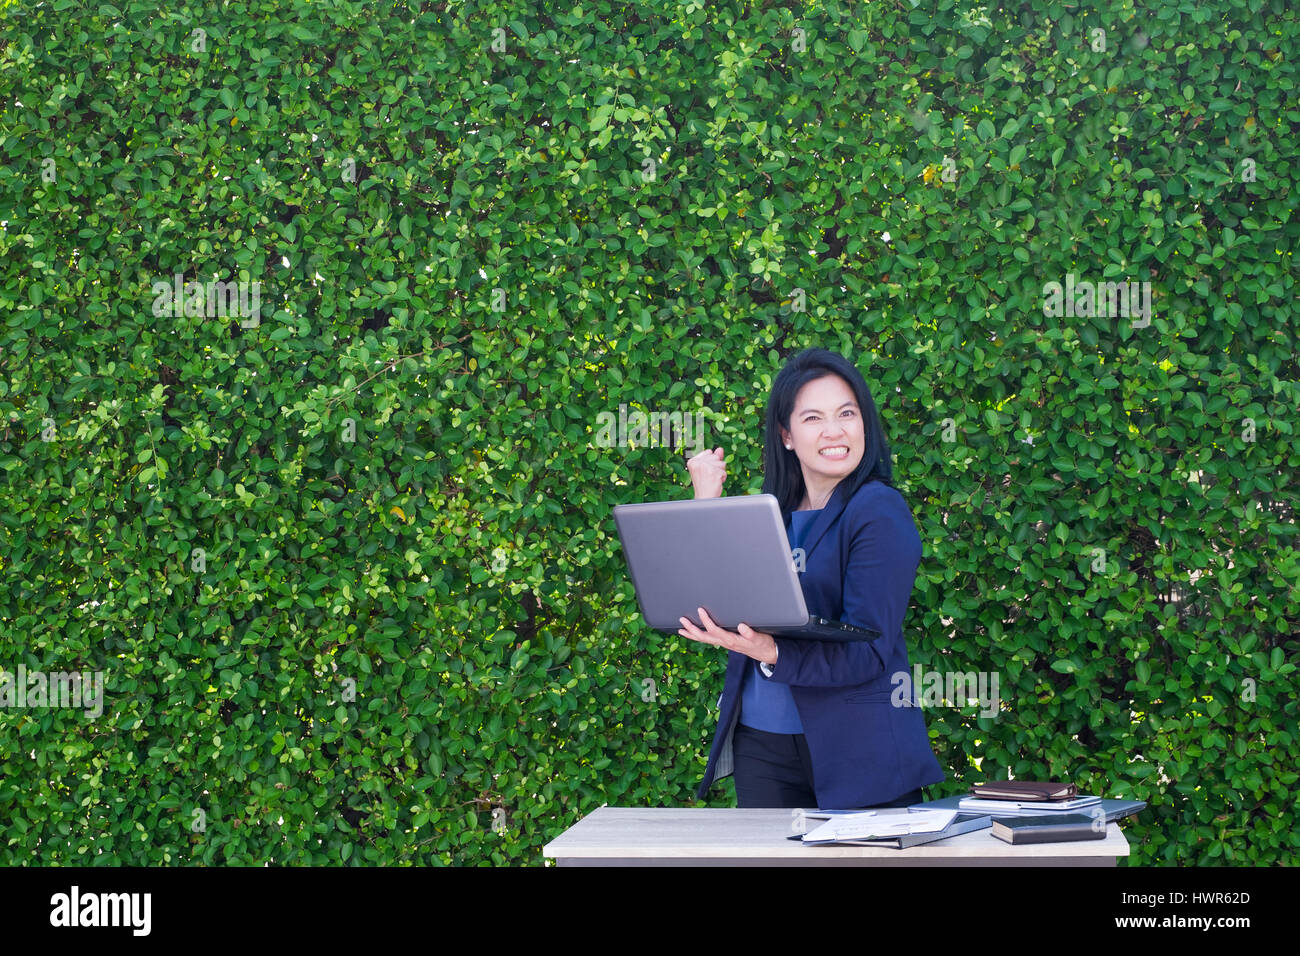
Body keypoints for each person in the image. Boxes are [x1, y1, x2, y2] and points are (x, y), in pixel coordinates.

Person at [680, 348, 945, 809]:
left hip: (856, 749)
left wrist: (771, 650)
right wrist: (707, 501)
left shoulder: (878, 511)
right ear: (786, 435)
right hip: (760, 744)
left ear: (865, 424)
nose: (834, 431)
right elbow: (711, 600)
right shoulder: (770, 513)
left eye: (847, 413)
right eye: (813, 418)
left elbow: (866, 652)